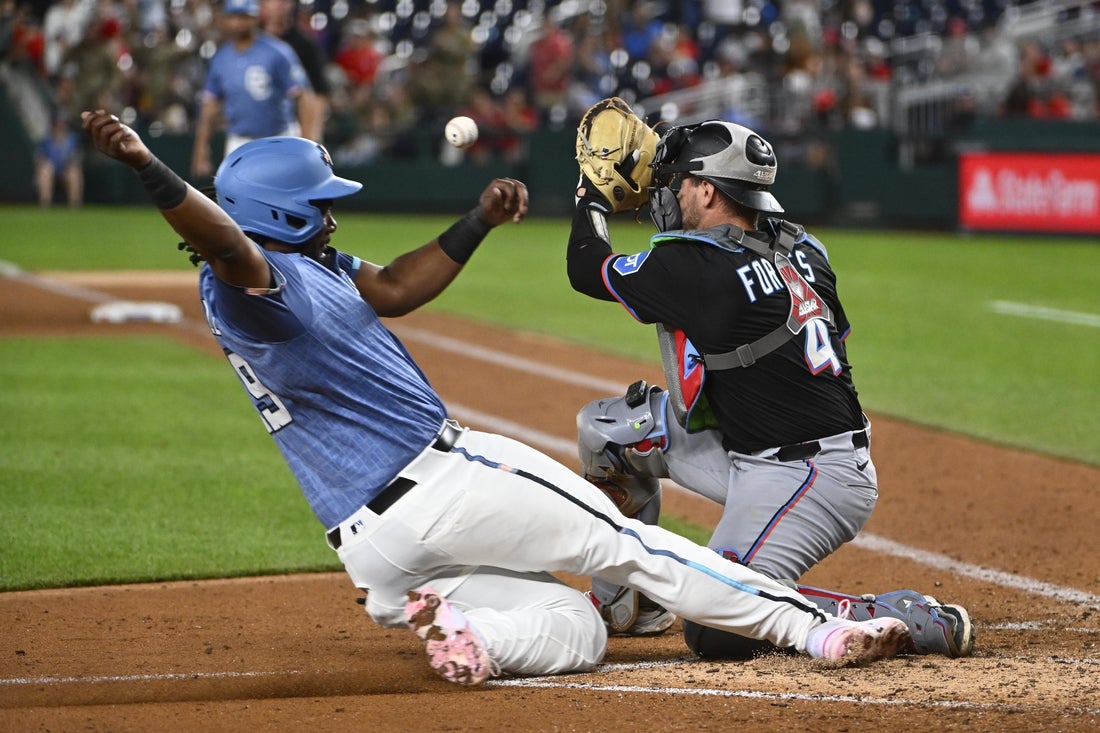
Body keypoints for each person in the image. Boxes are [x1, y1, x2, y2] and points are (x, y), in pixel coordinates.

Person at [81, 107, 913, 687]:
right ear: (276, 214)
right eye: (320, 207)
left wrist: (476, 220)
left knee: (577, 628)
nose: (334, 218)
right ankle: (816, 627)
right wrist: (151, 167)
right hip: (440, 481)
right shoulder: (246, 281)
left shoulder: (310, 264)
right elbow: (225, 241)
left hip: (376, 552)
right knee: (628, 543)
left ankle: (474, 636)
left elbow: (400, 286)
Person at [568, 114, 976, 659]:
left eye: (682, 182)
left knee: (715, 626)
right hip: (759, 441)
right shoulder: (806, 246)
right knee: (609, 433)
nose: (672, 193)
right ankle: (631, 606)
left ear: (709, 191)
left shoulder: (695, 265)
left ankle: (889, 616)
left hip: (809, 475)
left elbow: (585, 266)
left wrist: (591, 198)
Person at [191, 0, 321, 180]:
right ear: (225, 19)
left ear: (256, 17)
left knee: (282, 197)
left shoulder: (277, 51)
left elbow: (304, 96)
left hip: (278, 137)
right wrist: (201, 148)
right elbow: (210, 105)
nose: (238, 22)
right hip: (238, 140)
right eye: (234, 17)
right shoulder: (221, 57)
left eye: (244, 16)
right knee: (234, 202)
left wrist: (308, 143)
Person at [260, 0, 330, 141]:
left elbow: (319, 92)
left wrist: (311, 134)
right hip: (249, 128)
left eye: (283, 2)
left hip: (289, 128)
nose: (279, 6)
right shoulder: (249, 39)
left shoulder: (304, 43)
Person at [35, 113, 83, 207]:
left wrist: (69, 165)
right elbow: (39, 159)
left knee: (74, 172)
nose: (60, 127)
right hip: (51, 171)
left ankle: (74, 205)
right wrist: (46, 164)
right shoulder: (46, 140)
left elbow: (77, 158)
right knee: (45, 171)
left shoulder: (72, 139)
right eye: (58, 124)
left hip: (66, 171)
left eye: (62, 124)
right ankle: (45, 204)